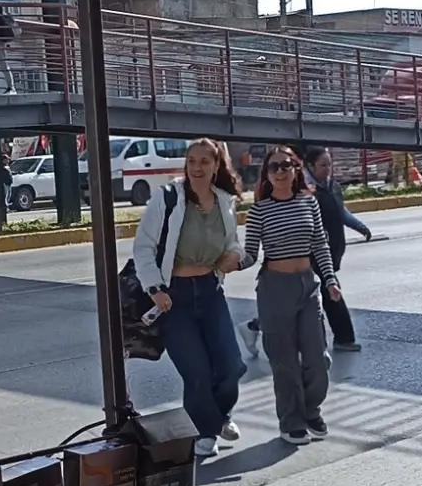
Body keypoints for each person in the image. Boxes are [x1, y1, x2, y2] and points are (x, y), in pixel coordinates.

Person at [133, 138, 247, 459]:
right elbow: (144, 247)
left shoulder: (224, 201)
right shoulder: (168, 197)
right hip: (174, 297)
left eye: (204, 161)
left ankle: (219, 414)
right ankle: (206, 431)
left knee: (231, 366)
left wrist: (234, 256)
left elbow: (232, 243)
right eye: (192, 161)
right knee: (196, 372)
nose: (197, 168)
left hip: (211, 291)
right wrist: (155, 288)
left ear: (216, 165)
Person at [238, 147, 340, 446]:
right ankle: (291, 421)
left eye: (286, 165)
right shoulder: (259, 211)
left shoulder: (309, 203)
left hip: (307, 286)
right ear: (267, 175)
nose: (280, 171)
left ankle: (311, 409)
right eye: (274, 167)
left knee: (318, 358)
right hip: (274, 289)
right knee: (284, 362)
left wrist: (330, 280)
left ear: (296, 169)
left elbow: (320, 244)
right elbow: (250, 254)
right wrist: (231, 262)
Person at [238, 147, 371, 357]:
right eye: (323, 165)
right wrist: (233, 262)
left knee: (304, 308)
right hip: (302, 260)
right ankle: (343, 339)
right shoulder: (282, 201)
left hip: (328, 252)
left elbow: (340, 213)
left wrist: (359, 226)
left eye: (329, 164)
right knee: (314, 303)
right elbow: (251, 253)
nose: (327, 169)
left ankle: (256, 326)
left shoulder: (329, 189)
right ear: (310, 166)